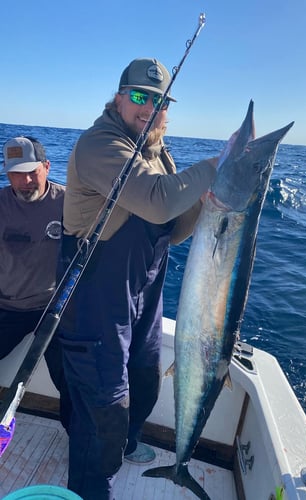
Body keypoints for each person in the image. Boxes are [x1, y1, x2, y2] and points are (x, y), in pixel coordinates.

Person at [58, 57, 217, 500]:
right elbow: (156, 199)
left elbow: (173, 228)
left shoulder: (158, 153)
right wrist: (217, 165)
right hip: (95, 300)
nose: (150, 107)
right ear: (119, 97)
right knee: (104, 411)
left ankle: (126, 446)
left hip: (144, 294)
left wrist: (205, 202)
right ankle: (91, 486)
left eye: (161, 100)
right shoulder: (99, 144)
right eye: (140, 96)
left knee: (145, 380)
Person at [0, 136, 70, 431]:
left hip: (52, 309)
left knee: (72, 380)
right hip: (6, 306)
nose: (25, 180)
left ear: (47, 166)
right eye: (17, 172)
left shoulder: (68, 202)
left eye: (33, 171)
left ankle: (80, 440)